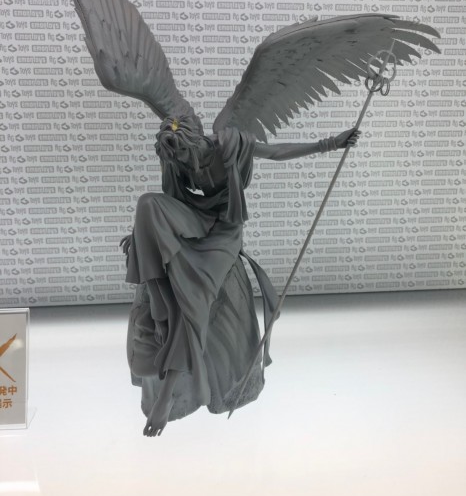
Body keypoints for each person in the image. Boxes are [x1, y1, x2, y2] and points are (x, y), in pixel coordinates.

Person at [122, 115, 360, 436]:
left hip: (224, 228)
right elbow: (172, 199)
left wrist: (330, 144)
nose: (181, 163)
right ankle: (158, 298)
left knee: (195, 300)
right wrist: (141, 236)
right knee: (147, 203)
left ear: (195, 142)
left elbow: (276, 152)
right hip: (194, 218)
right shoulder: (174, 156)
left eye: (183, 155)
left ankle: (167, 395)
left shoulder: (228, 144)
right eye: (175, 158)